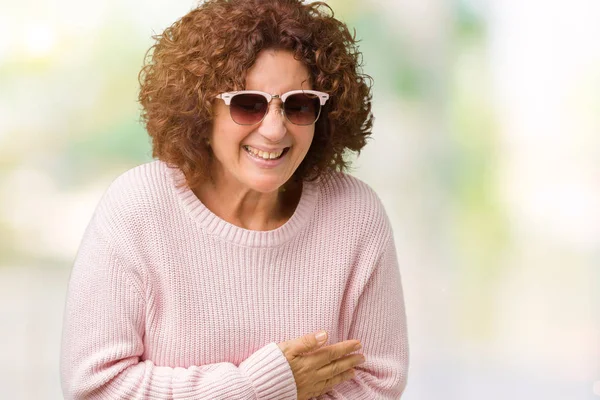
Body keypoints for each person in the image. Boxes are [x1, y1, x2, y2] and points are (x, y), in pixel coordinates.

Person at [59, 0, 409, 398]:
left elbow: (378, 384)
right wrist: (265, 387)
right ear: (200, 107)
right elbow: (96, 388)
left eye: (298, 105)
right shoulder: (139, 208)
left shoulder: (355, 216)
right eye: (248, 104)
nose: (275, 130)